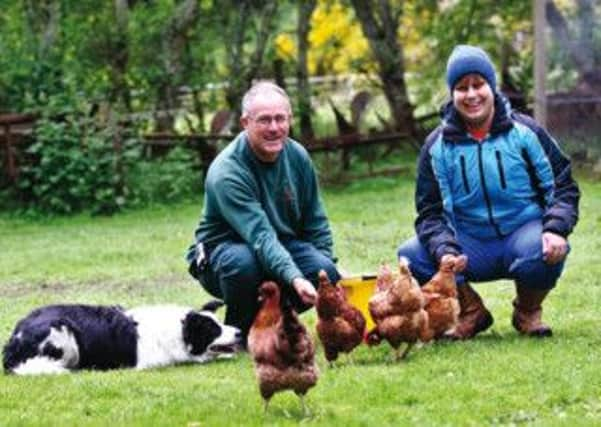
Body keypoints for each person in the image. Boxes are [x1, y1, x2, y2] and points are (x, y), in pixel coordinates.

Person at [397, 45, 580, 339]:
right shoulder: (436, 146)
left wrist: (556, 227)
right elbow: (429, 213)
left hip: (523, 233)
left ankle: (527, 311)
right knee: (411, 255)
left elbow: (563, 186)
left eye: (478, 84)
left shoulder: (525, 132)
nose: (471, 95)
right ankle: (472, 312)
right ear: (452, 94)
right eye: (461, 87)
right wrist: (445, 249)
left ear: (491, 87)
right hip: (469, 243)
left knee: (544, 251)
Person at [186, 81, 340, 344]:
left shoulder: (297, 155)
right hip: (224, 252)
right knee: (243, 263)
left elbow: (315, 220)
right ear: (246, 122)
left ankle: (277, 323)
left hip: (279, 244)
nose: (274, 128)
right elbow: (260, 236)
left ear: (290, 119)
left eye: (280, 119)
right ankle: (239, 332)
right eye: (264, 120)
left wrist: (324, 269)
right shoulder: (227, 171)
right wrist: (294, 277)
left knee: (325, 272)